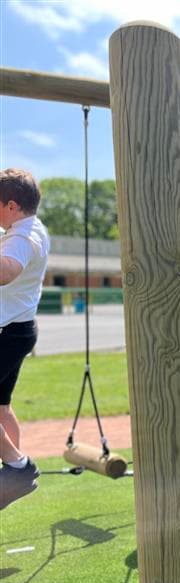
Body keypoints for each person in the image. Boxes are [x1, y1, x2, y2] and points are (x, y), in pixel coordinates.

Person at [0, 168, 47, 510]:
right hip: (18, 329)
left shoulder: (21, 237)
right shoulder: (29, 229)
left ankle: (17, 468)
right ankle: (11, 472)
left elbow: (7, 271)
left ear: (12, 205)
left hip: (7, 331)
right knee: (2, 406)